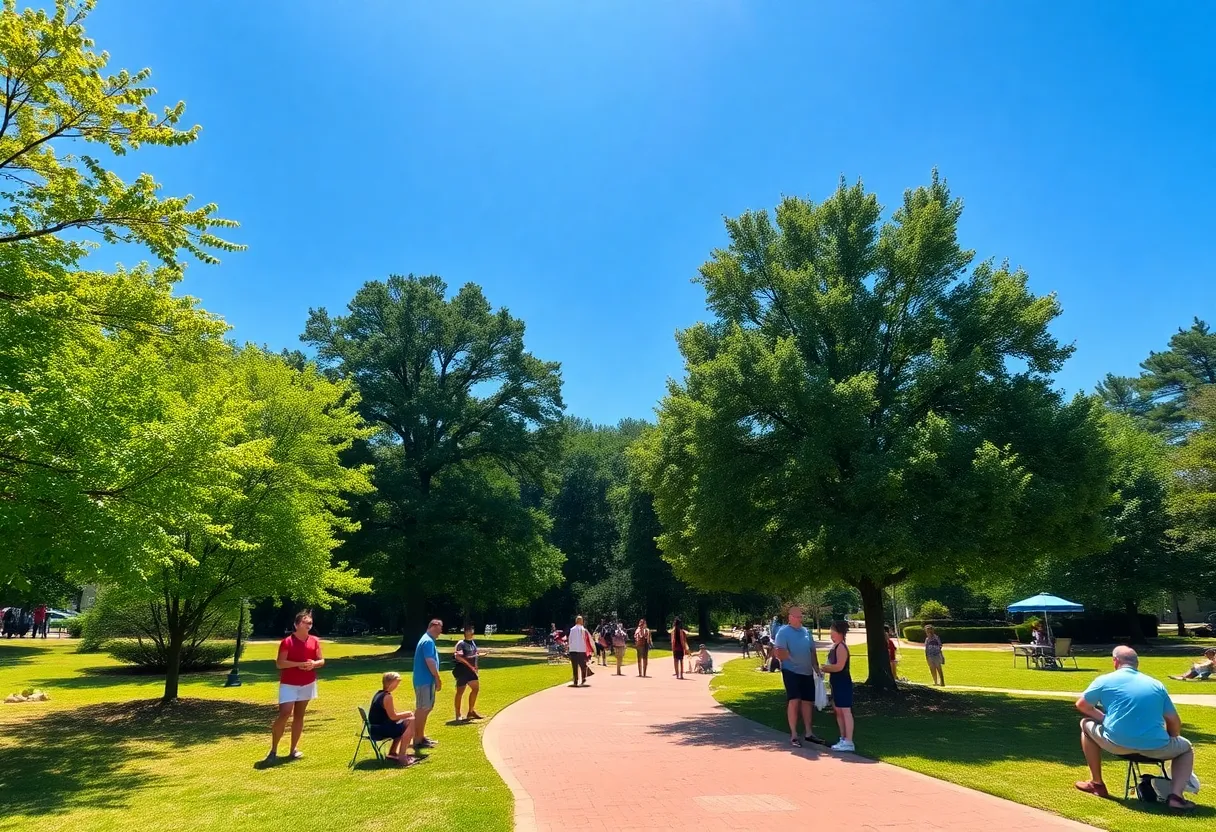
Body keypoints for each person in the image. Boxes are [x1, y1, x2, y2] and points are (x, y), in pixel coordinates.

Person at [1075, 646, 1196, 811]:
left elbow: (1082, 705)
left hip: (1116, 743)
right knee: (1185, 748)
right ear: (1137, 664)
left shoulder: (1104, 680)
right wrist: (1172, 738)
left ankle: (1097, 783)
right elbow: (1174, 721)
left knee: (1085, 724)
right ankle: (1176, 796)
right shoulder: (1156, 685)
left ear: (1115, 661)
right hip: (1157, 747)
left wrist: (1104, 719)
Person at [268, 610, 324, 761]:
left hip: (308, 683)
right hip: (289, 684)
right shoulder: (287, 642)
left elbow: (321, 660)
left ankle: (293, 750)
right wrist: (299, 664)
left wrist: (313, 664)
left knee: (300, 715)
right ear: (297, 624)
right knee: (285, 713)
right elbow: (280, 663)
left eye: (310, 623)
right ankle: (273, 750)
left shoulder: (314, 641)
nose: (309, 625)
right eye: (306, 622)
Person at [773, 605, 823, 747]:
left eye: (801, 617)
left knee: (808, 701)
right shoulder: (783, 632)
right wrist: (783, 654)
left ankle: (809, 733)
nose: (799, 619)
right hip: (791, 671)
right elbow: (779, 652)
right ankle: (794, 734)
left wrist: (816, 667)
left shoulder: (807, 632)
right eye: (796, 617)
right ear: (790, 617)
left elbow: (812, 651)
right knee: (794, 700)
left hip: (806, 671)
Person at [368, 671, 418, 766]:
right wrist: (407, 713)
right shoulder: (387, 697)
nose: (398, 685)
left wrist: (404, 716)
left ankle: (392, 752)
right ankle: (402, 756)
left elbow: (391, 716)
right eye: (397, 682)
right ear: (390, 683)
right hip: (380, 731)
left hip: (374, 728)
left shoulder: (379, 694)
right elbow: (393, 716)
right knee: (411, 721)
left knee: (405, 722)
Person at [821, 621, 855, 752]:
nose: (831, 635)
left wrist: (824, 668)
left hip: (842, 682)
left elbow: (839, 666)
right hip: (836, 682)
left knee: (845, 710)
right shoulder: (835, 646)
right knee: (838, 710)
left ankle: (849, 741)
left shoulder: (841, 647)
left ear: (840, 632)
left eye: (833, 632)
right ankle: (843, 737)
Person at [412, 618, 443, 755]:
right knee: (423, 708)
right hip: (424, 681)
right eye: (440, 628)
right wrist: (437, 677)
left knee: (426, 708)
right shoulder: (427, 641)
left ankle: (421, 737)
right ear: (434, 626)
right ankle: (417, 739)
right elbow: (430, 661)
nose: (441, 632)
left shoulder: (428, 640)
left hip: (426, 681)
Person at [453, 624, 485, 722]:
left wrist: (475, 667)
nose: (471, 632)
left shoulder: (472, 643)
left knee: (475, 689)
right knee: (460, 692)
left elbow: (474, 656)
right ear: (465, 632)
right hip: (462, 671)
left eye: (472, 630)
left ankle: (471, 711)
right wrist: (472, 659)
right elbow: (458, 657)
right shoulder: (461, 644)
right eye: (470, 630)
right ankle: (458, 714)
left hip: (471, 671)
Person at [568, 615, 593, 687]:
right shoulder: (584, 630)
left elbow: (570, 639)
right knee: (582, 665)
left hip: (573, 649)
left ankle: (575, 681)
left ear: (576, 621)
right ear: (581, 621)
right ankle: (583, 678)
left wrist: (569, 647)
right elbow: (587, 640)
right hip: (581, 649)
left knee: (574, 666)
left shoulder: (572, 629)